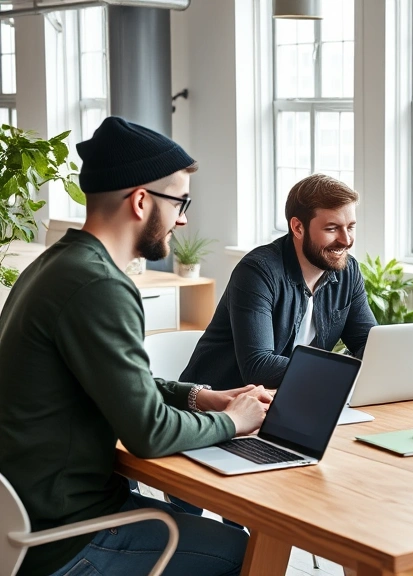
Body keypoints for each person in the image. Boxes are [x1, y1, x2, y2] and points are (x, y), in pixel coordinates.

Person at [0, 117, 269, 576]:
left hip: (32, 518)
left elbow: (124, 383)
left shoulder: (56, 265)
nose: (184, 218)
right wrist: (232, 420)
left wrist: (199, 397)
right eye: (180, 202)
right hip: (62, 539)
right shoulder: (99, 284)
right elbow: (150, 434)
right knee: (252, 556)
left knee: (209, 530)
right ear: (142, 200)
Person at [181, 174, 376, 390]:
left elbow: (370, 345)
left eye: (350, 227)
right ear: (298, 228)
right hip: (216, 407)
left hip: (288, 399)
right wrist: (341, 370)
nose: (346, 240)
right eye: (331, 229)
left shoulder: (348, 271)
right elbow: (258, 366)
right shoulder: (258, 272)